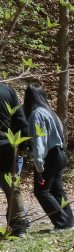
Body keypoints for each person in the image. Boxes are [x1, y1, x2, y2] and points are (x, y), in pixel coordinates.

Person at [23, 83, 74, 231]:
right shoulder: (49, 111)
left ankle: (61, 222)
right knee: (57, 190)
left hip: (49, 156)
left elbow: (39, 142)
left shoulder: (36, 114)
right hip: (59, 154)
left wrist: (39, 164)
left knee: (41, 192)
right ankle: (69, 223)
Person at [0, 82, 29, 237]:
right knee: (12, 187)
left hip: (6, 145)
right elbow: (20, 120)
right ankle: (19, 228)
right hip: (6, 144)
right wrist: (22, 146)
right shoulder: (8, 90)